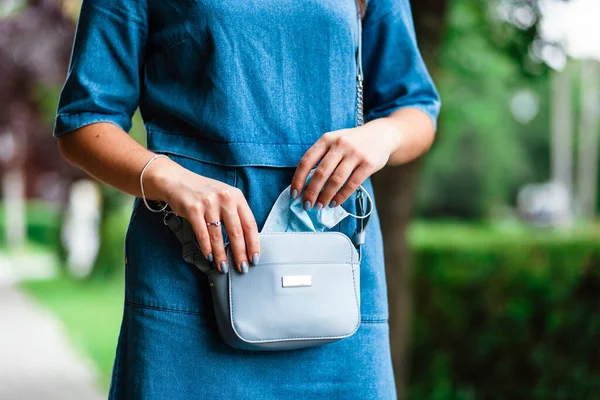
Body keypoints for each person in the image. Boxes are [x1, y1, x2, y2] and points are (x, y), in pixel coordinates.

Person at [53, 0, 440, 398]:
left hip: (336, 274)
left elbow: (416, 107)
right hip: (192, 267)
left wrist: (382, 136)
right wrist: (173, 180)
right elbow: (83, 121)